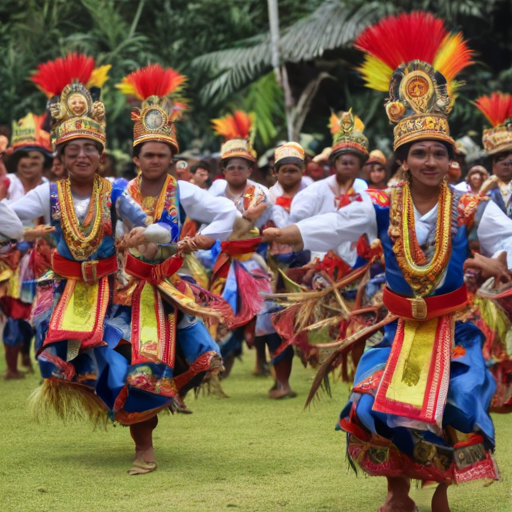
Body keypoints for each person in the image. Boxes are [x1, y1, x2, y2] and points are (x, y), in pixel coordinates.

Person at [264, 12, 506, 512]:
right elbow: (335, 226)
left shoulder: (467, 205)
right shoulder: (379, 204)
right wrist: (287, 232)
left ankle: (439, 490)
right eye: (420, 153)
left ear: (450, 158)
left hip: (454, 326)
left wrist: (499, 262)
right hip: (396, 325)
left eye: (439, 152)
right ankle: (397, 494)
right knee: (373, 404)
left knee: (453, 406)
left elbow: (507, 238)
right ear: (404, 159)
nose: (430, 161)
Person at [13, 53, 178, 473]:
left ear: (100, 156)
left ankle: (144, 446)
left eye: (90, 148)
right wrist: (19, 233)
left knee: (130, 364)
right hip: (67, 294)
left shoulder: (115, 192)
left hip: (113, 292)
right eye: (74, 150)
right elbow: (7, 214)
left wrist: (146, 235)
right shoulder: (48, 195)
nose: (82, 155)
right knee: (70, 364)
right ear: (62, 158)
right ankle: (114, 408)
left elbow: (157, 228)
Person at [114, 63, 238, 437]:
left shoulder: (183, 192)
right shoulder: (117, 191)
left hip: (170, 287)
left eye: (162, 154)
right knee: (134, 363)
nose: (155, 160)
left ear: (172, 159)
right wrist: (120, 242)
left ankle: (166, 398)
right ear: (136, 159)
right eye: (148, 154)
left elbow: (227, 212)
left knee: (198, 359)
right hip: (129, 289)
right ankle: (143, 440)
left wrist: (204, 238)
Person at [209, 111, 272, 378]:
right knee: (220, 311)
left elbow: (269, 223)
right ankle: (221, 359)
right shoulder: (214, 192)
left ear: (250, 170)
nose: (236, 171)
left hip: (251, 260)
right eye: (230, 167)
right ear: (223, 171)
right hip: (220, 259)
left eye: (241, 166)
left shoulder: (261, 193)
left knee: (261, 311)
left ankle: (261, 360)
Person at [289, 110, 369, 266]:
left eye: (352, 161)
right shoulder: (316, 189)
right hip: (324, 261)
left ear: (360, 165)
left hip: (358, 259)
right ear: (335, 164)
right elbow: (297, 216)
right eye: (343, 161)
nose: (347, 165)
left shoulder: (363, 187)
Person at [475, 92, 512, 216]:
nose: (506, 164)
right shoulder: (487, 187)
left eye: (510, 161)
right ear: (493, 165)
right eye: (501, 159)